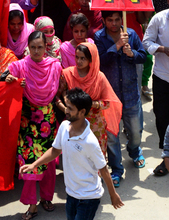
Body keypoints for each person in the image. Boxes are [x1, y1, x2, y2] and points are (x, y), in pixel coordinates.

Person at [20, 88, 124, 220]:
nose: (66, 110)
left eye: (70, 108)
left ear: (82, 112)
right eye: (66, 106)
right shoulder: (64, 126)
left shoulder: (90, 142)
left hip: (88, 198)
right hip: (71, 194)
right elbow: (56, 150)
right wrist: (33, 165)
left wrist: (113, 195)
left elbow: (103, 170)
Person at [5, 30, 62, 217]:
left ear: (46, 47)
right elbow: (1, 78)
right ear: (27, 48)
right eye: (32, 47)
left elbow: (60, 90)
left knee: (49, 163)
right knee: (29, 163)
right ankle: (31, 205)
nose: (36, 51)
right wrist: (8, 80)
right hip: (28, 123)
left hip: (48, 122)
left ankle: (47, 198)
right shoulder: (19, 66)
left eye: (40, 47)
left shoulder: (55, 66)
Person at [94, 10, 146, 185]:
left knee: (136, 133)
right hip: (110, 96)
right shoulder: (98, 38)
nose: (115, 23)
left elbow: (144, 57)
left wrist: (132, 54)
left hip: (131, 93)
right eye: (110, 20)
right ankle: (116, 169)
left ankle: (134, 151)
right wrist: (116, 46)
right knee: (113, 137)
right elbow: (98, 62)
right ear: (103, 20)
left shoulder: (131, 34)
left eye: (117, 19)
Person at [60, 42, 122, 156]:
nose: (79, 61)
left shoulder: (99, 77)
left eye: (83, 58)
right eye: (77, 57)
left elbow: (107, 103)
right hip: (75, 121)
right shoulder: (67, 74)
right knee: (76, 155)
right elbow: (61, 92)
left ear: (91, 59)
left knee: (95, 157)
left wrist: (89, 103)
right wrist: (67, 105)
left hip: (95, 125)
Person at [143, 4, 169, 176]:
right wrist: (162, 49)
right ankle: (166, 158)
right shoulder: (159, 18)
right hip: (162, 77)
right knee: (162, 117)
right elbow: (146, 42)